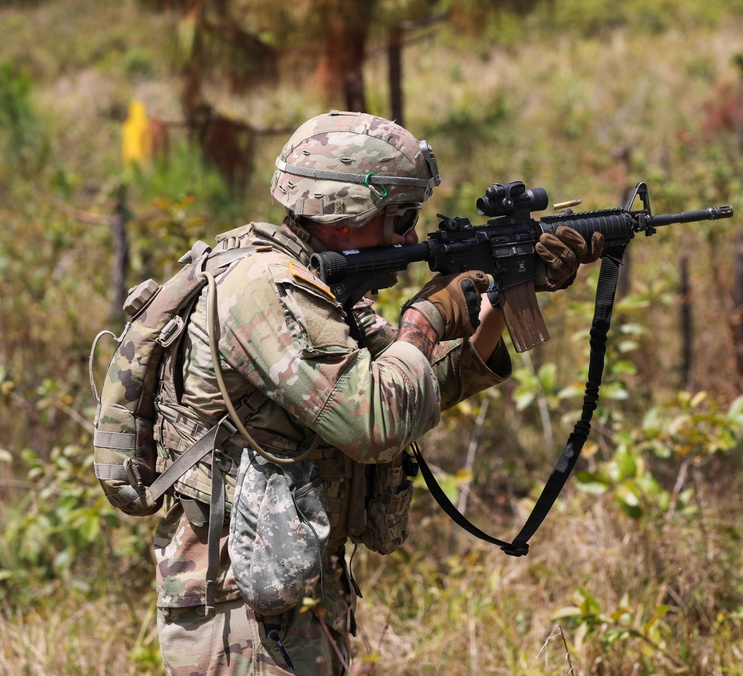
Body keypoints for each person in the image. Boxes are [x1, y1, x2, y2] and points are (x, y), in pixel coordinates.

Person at [151, 110, 602, 674]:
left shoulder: (317, 285)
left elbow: (409, 389)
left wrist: (503, 296)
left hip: (293, 590)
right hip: (240, 615)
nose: (412, 237)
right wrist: (428, 317)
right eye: (402, 217)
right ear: (345, 216)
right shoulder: (261, 289)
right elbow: (373, 423)